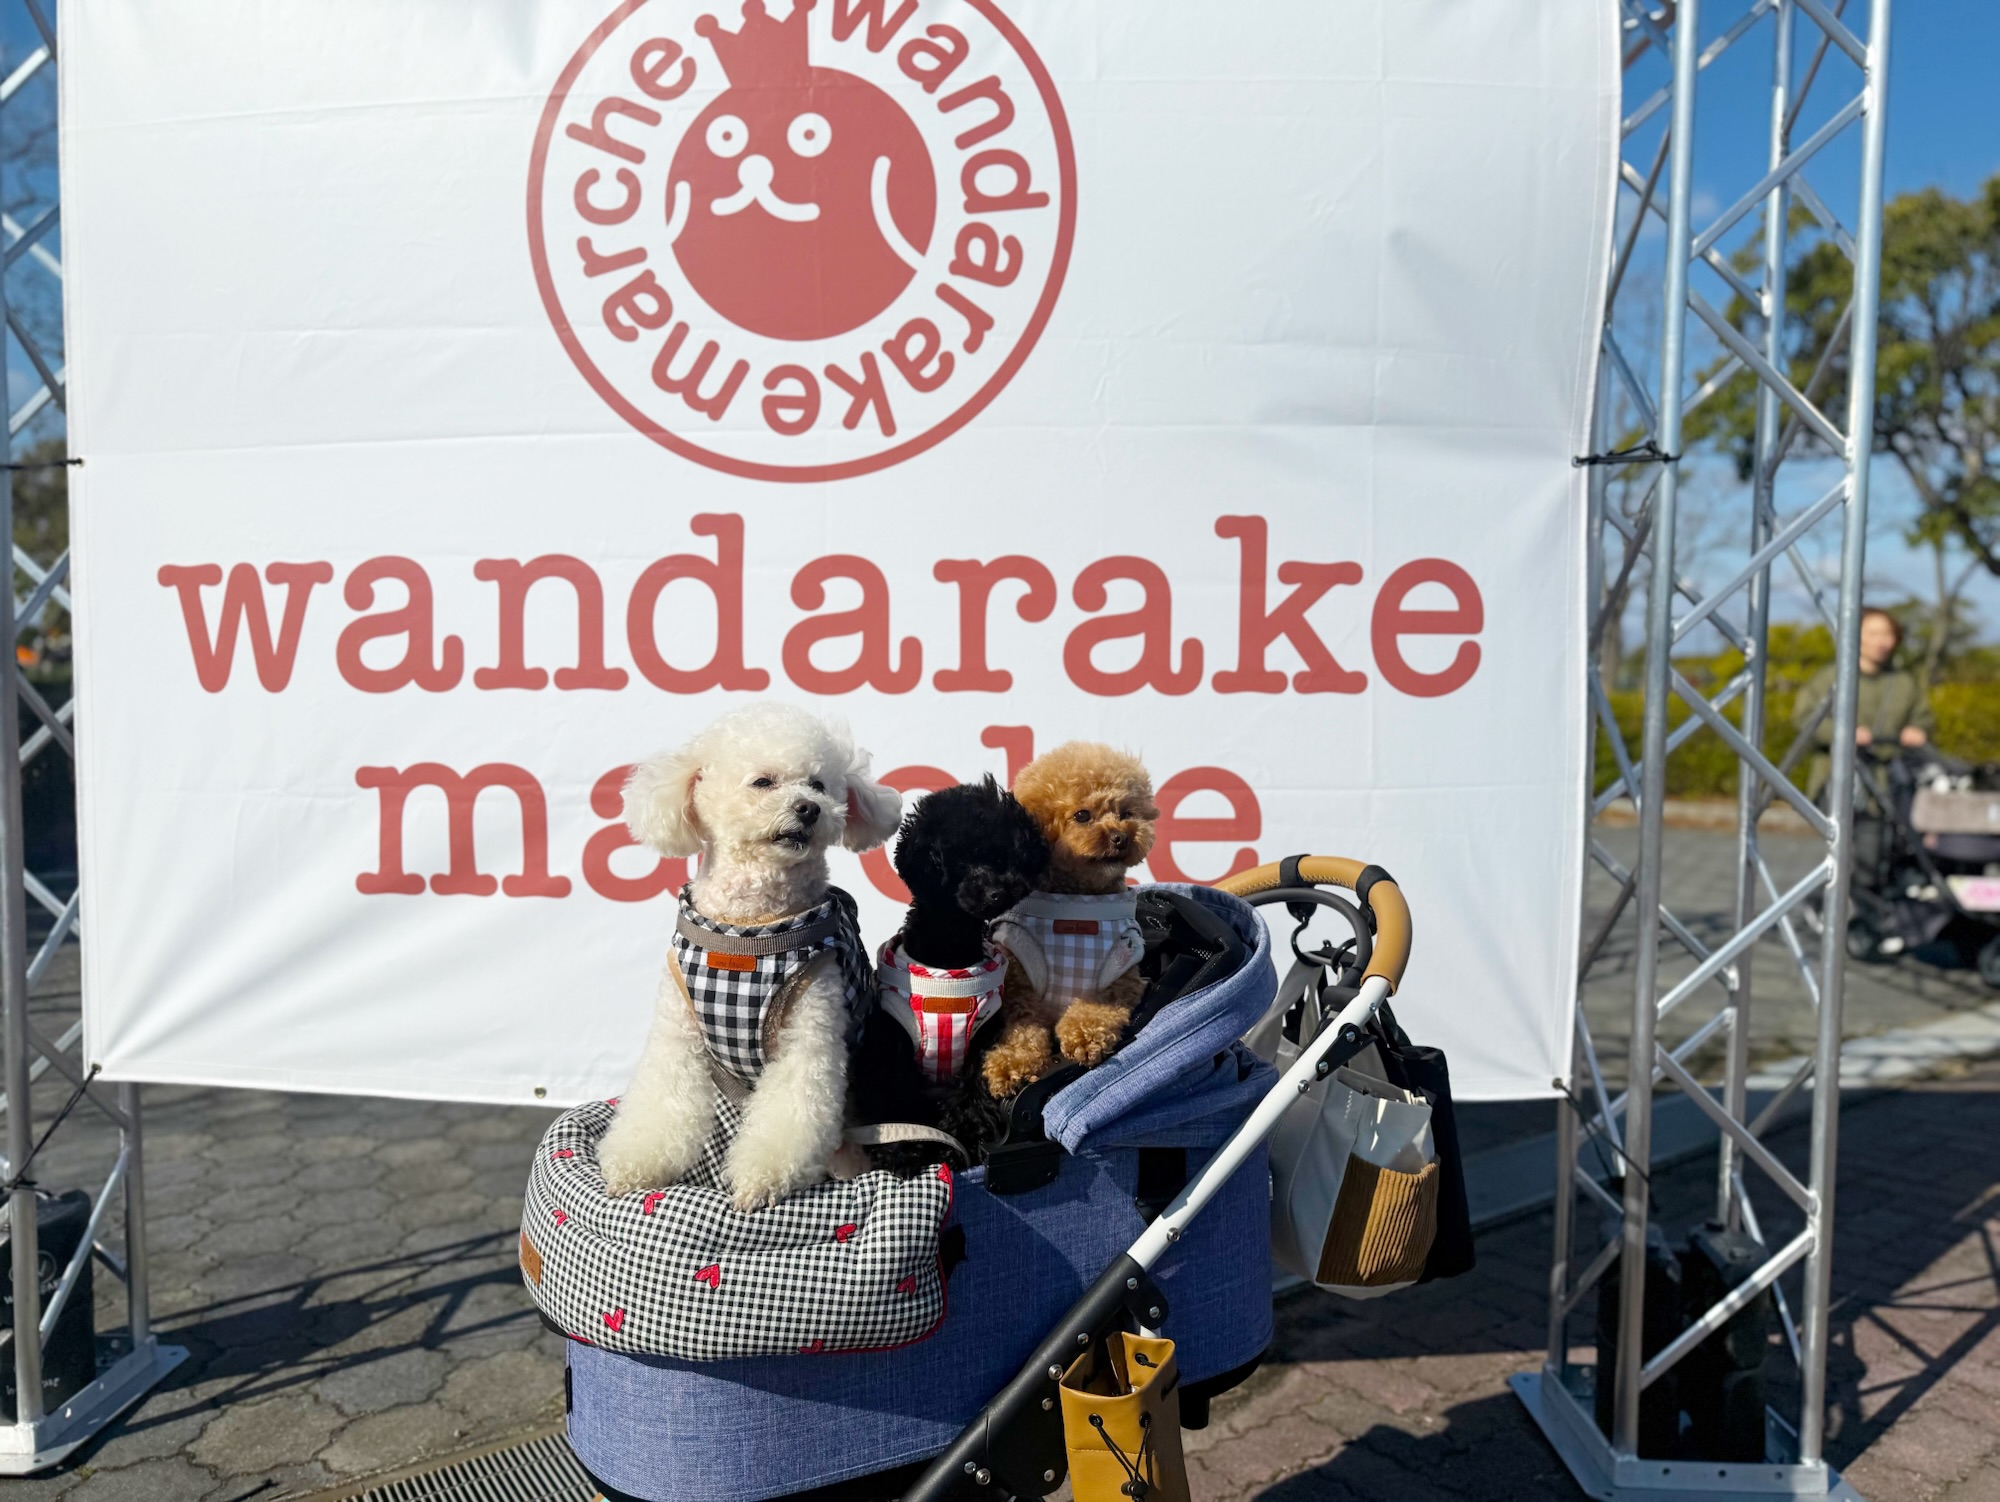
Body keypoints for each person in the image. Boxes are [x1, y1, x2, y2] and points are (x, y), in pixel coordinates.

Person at [1794, 606, 1935, 802]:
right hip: (1838, 779)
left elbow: (1923, 717)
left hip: (1893, 783)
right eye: (1873, 634)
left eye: (1887, 634)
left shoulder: (1904, 682)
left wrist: (1917, 730)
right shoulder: (1830, 677)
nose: (1881, 641)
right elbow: (1806, 719)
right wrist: (1844, 733)